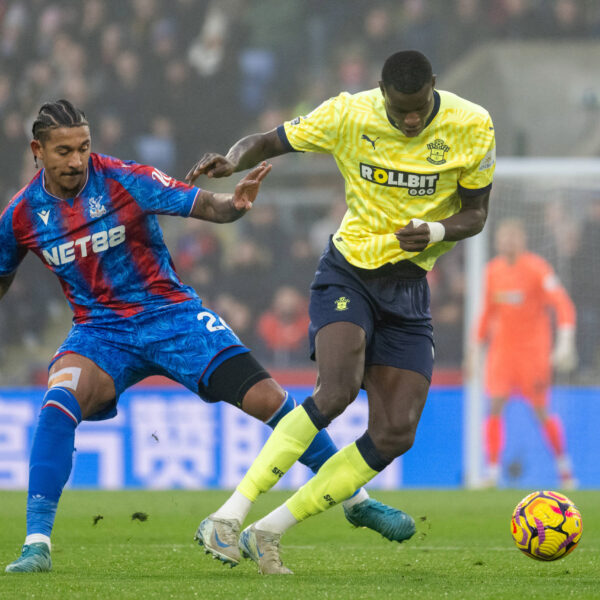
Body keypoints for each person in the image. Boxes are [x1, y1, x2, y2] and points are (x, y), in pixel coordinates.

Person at [2, 99, 407, 573]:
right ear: (37, 150)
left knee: (270, 398)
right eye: (64, 151)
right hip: (99, 332)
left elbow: (207, 205)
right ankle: (36, 545)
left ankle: (354, 499)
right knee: (58, 401)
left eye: (84, 148)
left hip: (172, 316)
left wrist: (234, 204)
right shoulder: (22, 215)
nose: (76, 160)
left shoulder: (123, 178)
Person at [186, 50, 496, 574]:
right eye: (401, 112)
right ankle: (227, 515)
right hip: (349, 271)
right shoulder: (350, 113)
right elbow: (267, 140)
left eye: (420, 108)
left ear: (434, 88)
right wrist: (233, 159)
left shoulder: (472, 124)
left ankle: (269, 530)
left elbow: (477, 212)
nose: (412, 120)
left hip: (409, 286)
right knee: (336, 391)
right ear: (381, 92)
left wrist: (437, 232)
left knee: (397, 431)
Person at [469, 218, 577, 489]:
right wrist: (474, 350)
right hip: (502, 353)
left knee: (541, 409)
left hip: (533, 353)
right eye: (503, 236)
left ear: (523, 239)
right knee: (494, 406)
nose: (507, 241)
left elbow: (563, 304)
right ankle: (492, 472)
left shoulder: (538, 268)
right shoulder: (492, 271)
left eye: (513, 236)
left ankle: (564, 470)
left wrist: (565, 341)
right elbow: (486, 313)